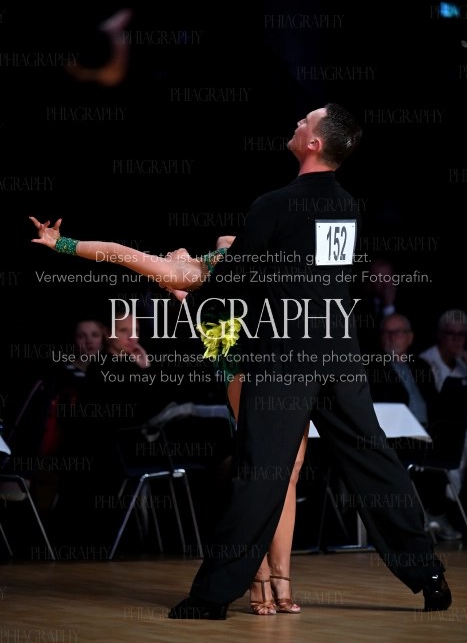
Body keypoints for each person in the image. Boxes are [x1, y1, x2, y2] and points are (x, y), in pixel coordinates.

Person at [29, 104, 452, 617]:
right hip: (337, 348)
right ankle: (428, 575)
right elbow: (307, 277)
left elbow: (236, 278)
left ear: (315, 143)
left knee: (262, 472)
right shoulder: (347, 206)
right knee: (371, 458)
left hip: (287, 354)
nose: (297, 122)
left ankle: (214, 596)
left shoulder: (274, 205)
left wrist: (194, 295)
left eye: (306, 121)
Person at [29, 221, 304, 614]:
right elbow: (119, 252)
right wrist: (63, 244)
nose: (173, 254)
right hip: (246, 363)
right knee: (261, 472)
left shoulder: (237, 250)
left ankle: (282, 577)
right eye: (167, 267)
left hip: (291, 355)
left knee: (290, 471)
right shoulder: (194, 271)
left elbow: (235, 241)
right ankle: (258, 575)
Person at [368, 313, 462, 540]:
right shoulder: (373, 367)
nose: (392, 337)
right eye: (387, 332)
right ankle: (422, 518)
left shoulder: (421, 366)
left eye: (398, 332)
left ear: (410, 338)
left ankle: (435, 513)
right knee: (411, 455)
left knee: (446, 440)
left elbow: (435, 404)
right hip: (396, 434)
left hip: (429, 431)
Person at [419, 309, 467, 504]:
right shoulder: (425, 362)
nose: (456, 340)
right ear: (439, 334)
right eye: (450, 333)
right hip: (439, 431)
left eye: (461, 334)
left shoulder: (463, 363)